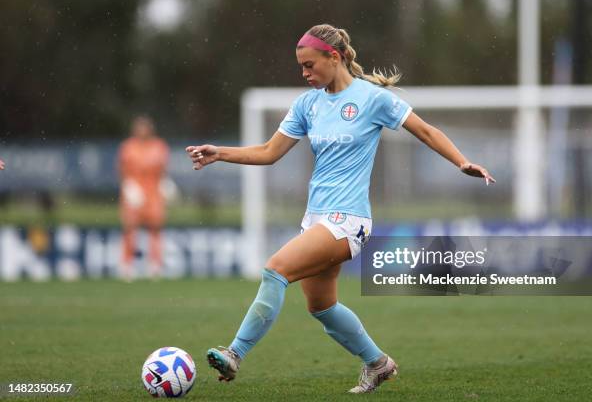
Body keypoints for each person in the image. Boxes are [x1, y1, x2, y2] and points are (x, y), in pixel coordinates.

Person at [186, 24, 495, 393]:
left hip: (348, 220)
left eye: (309, 65)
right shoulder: (307, 104)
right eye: (301, 66)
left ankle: (235, 353)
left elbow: (425, 130)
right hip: (316, 218)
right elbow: (269, 153)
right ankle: (378, 363)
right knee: (321, 307)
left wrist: (461, 162)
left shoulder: (373, 99)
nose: (304, 74)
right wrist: (220, 153)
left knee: (275, 271)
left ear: (334, 57)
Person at [117, 115, 169, 280]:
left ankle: (155, 264)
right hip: (134, 191)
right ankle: (127, 264)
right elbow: (122, 170)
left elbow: (163, 170)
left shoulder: (159, 146)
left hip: (153, 192)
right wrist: (128, 186)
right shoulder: (128, 147)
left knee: (155, 228)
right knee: (130, 228)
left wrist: (165, 184)